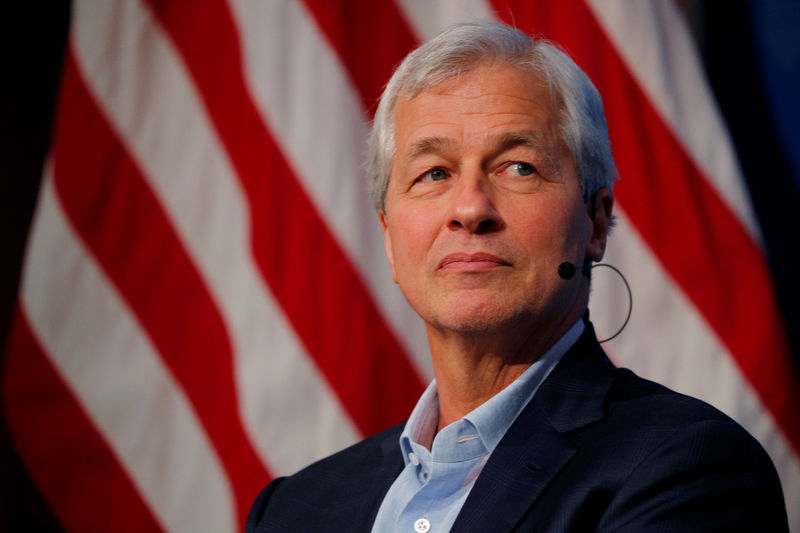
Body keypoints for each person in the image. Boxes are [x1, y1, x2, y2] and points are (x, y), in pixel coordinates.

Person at [246, 22, 788, 532]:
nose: (470, 208)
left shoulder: (688, 468)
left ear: (596, 221)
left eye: (518, 167)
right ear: (389, 236)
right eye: (433, 172)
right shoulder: (294, 508)